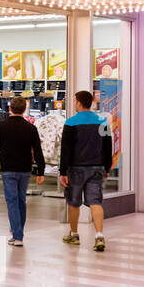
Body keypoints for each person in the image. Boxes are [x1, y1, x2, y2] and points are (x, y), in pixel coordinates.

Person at [0, 96, 45, 246]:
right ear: (25, 109)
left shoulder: (1, 126)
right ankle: (18, 233)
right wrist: (41, 171)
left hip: (8, 169)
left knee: (12, 201)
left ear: (10, 108)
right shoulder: (31, 128)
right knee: (21, 200)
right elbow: (37, 151)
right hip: (25, 170)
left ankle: (18, 236)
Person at [60, 90, 113, 252]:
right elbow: (107, 146)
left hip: (76, 169)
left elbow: (66, 149)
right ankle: (99, 236)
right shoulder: (102, 121)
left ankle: (74, 234)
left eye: (75, 100)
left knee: (73, 202)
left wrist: (63, 171)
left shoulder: (70, 122)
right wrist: (107, 167)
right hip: (96, 167)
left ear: (79, 103)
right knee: (96, 202)